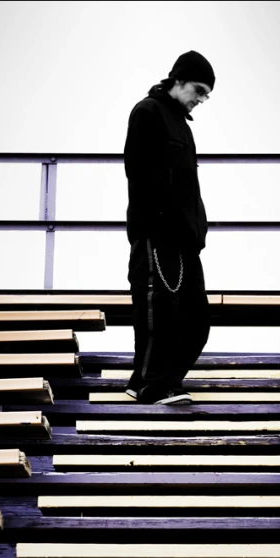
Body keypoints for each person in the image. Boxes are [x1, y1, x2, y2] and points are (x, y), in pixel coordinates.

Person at [123, 50, 215, 405]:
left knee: (197, 321)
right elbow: (140, 173)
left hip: (186, 240)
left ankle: (156, 381)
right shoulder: (147, 112)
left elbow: (188, 187)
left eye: (207, 94)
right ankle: (153, 385)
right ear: (177, 80)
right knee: (157, 312)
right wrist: (160, 223)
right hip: (158, 234)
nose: (201, 99)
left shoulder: (182, 124)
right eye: (198, 89)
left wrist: (197, 230)